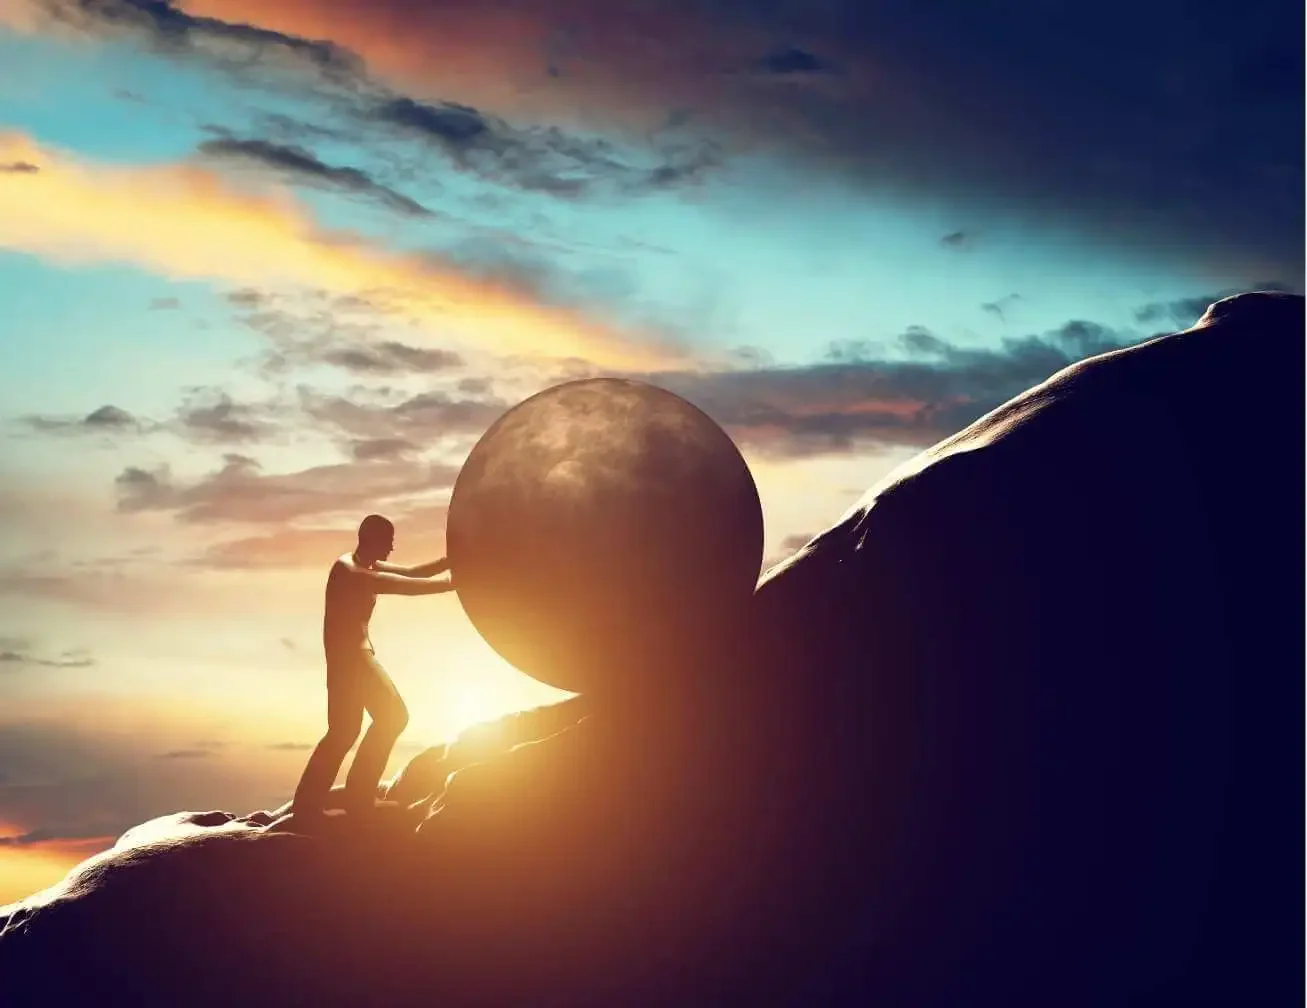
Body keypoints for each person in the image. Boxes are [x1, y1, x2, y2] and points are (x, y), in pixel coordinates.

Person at [292, 514, 455, 818]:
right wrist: (452, 584)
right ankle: (349, 798)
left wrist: (452, 559)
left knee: (344, 731)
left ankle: (316, 803)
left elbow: (412, 572)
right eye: (388, 540)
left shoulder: (363, 563)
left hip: (350, 658)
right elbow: (404, 586)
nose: (392, 547)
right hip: (353, 660)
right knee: (391, 716)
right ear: (372, 539)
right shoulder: (351, 571)